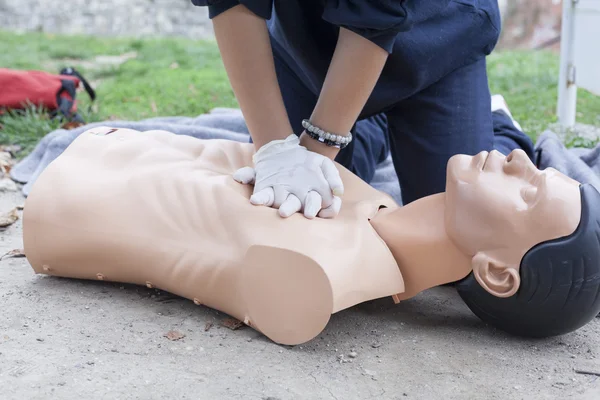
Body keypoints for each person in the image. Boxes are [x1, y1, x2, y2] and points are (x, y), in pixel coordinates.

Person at [190, 0, 535, 218]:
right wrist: (274, 149)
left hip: (434, 42)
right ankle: (370, 122)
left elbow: (375, 9)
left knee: (457, 225)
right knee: (308, 212)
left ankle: (498, 124)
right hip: (308, 41)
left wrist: (317, 152)